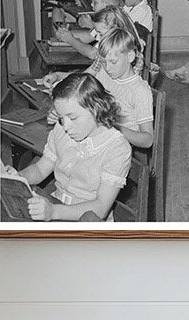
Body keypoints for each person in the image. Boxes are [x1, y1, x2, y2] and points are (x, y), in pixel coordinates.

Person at [19, 72, 132, 222]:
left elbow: (101, 207)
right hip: (56, 205)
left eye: (72, 118)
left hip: (88, 220)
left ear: (96, 109)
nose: (66, 126)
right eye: (61, 118)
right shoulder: (61, 130)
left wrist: (53, 212)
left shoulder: (117, 148)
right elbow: (40, 169)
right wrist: (19, 178)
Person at [91, 28, 154, 150]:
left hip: (118, 147)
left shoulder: (140, 91)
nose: (107, 68)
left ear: (130, 56)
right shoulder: (104, 73)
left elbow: (148, 140)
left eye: (113, 62)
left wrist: (114, 127)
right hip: (98, 135)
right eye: (104, 62)